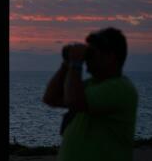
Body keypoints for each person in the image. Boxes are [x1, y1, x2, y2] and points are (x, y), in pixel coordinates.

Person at [42, 27, 138, 161]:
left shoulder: (119, 88)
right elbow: (50, 98)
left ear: (110, 57)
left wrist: (75, 63)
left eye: (92, 53)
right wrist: (66, 63)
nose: (87, 59)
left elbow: (73, 101)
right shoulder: (92, 85)